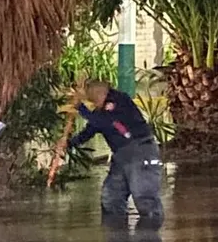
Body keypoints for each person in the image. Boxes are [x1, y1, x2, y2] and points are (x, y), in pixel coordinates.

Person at [59, 80, 163, 222]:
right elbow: (90, 130)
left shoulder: (119, 100)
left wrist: (81, 108)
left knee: (145, 198)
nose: (95, 105)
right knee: (112, 198)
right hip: (121, 156)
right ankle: (117, 236)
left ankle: (150, 235)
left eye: (94, 100)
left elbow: (106, 122)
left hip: (141, 151)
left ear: (102, 94)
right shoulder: (99, 113)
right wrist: (68, 144)